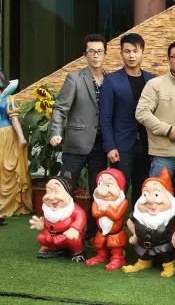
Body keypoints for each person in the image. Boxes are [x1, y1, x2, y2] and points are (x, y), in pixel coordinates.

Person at [49, 34, 109, 242]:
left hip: (101, 146)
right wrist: (56, 132)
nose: (96, 55)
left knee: (97, 192)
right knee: (64, 189)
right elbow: (60, 109)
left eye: (99, 51)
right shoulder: (74, 78)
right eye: (91, 51)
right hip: (76, 143)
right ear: (85, 54)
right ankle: (59, 233)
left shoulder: (110, 80)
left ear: (105, 54)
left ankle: (91, 234)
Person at [135, 41, 175, 218]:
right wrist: (166, 129)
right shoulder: (155, 84)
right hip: (164, 153)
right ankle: (153, 234)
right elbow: (141, 112)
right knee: (156, 198)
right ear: (169, 59)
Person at [100, 33, 155, 210]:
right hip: (122, 145)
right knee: (118, 189)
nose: (131, 55)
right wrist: (110, 146)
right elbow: (105, 116)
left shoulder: (152, 80)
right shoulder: (111, 80)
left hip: (148, 144)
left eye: (135, 51)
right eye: (127, 51)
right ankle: (115, 224)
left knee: (143, 189)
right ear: (121, 53)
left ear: (143, 52)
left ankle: (138, 223)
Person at [123, 168, 175, 278]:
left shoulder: (170, 215)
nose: (150, 200)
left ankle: (169, 265)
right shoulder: (139, 215)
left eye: (156, 195)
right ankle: (143, 262)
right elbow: (130, 222)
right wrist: (135, 234)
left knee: (166, 253)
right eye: (145, 194)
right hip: (142, 245)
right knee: (142, 252)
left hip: (164, 246)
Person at [29, 176, 87, 262]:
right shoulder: (48, 209)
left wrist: (75, 228)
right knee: (41, 238)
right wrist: (42, 224)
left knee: (74, 239)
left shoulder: (73, 209)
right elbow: (49, 222)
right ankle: (55, 250)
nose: (51, 197)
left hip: (67, 236)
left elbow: (81, 216)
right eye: (48, 191)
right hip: (52, 236)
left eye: (57, 192)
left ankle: (78, 253)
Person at [0, 73, 32, 220]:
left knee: (7, 167)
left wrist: (21, 137)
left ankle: (9, 204)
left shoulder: (8, 99)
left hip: (6, 137)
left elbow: (14, 119)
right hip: (5, 136)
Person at [85, 168, 128, 270]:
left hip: (115, 233)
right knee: (100, 243)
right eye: (100, 184)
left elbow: (116, 216)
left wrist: (106, 209)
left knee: (116, 244)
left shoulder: (122, 202)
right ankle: (102, 255)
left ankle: (118, 258)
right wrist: (105, 210)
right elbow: (95, 213)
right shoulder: (97, 201)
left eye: (108, 185)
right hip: (101, 231)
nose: (102, 190)